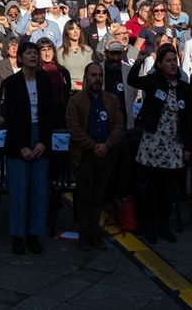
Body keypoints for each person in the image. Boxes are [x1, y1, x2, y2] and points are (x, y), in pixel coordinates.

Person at [129, 44, 189, 243]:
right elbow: (132, 80)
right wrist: (138, 61)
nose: (173, 64)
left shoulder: (182, 86)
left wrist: (187, 146)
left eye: (175, 60)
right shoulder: (153, 81)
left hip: (174, 144)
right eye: (168, 61)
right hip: (154, 142)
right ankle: (150, 225)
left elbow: (189, 117)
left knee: (168, 188)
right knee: (152, 187)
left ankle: (164, 224)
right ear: (160, 64)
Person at [2, 40, 55, 254]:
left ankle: (34, 234)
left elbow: (50, 112)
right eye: (29, 53)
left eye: (35, 53)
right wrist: (22, 146)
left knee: (39, 190)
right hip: (18, 140)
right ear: (21, 57)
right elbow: (10, 117)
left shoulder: (44, 80)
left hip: (40, 137)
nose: (33, 56)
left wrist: (43, 141)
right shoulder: (12, 82)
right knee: (19, 190)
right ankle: (18, 235)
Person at [66, 61, 122, 251]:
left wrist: (106, 146)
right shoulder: (75, 101)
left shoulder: (112, 100)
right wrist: (93, 146)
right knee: (84, 197)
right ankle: (83, 233)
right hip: (85, 156)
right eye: (93, 75)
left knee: (99, 196)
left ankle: (94, 231)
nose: (97, 79)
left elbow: (118, 126)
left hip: (106, 155)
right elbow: (74, 129)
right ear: (86, 77)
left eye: (100, 76)